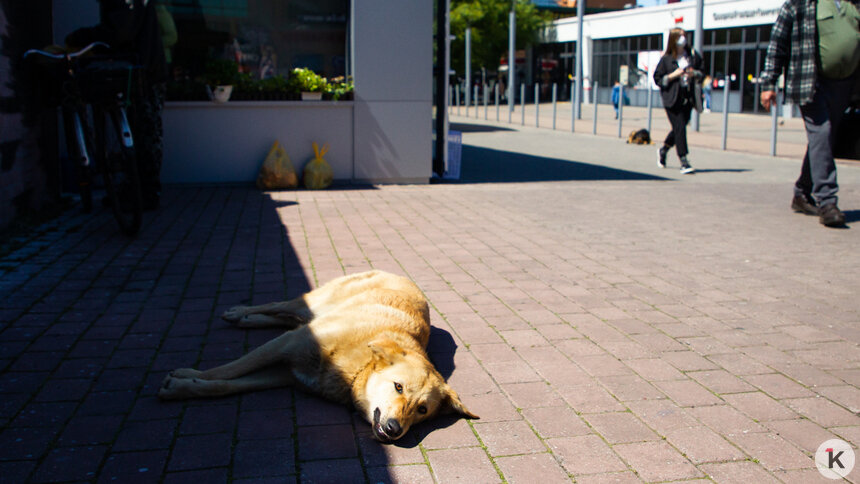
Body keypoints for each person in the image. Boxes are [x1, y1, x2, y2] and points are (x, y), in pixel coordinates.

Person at [760, 0, 859, 228]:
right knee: (821, 133)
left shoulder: (853, 4)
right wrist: (768, 83)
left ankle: (802, 193)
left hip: (845, 84)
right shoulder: (799, 4)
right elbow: (778, 44)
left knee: (823, 138)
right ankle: (827, 202)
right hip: (810, 82)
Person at [66, 0, 168, 210]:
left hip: (140, 70)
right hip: (145, 69)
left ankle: (143, 192)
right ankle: (142, 190)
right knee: (144, 131)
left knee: (142, 131)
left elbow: (120, 31)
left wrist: (82, 37)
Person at [654, 28, 703, 174]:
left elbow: (703, 72)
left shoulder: (692, 56)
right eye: (680, 36)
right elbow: (658, 78)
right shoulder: (666, 59)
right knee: (680, 126)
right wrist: (672, 76)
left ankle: (663, 150)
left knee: (678, 129)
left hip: (687, 98)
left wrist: (694, 73)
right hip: (672, 99)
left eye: (684, 36)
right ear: (674, 39)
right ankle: (684, 161)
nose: (683, 39)